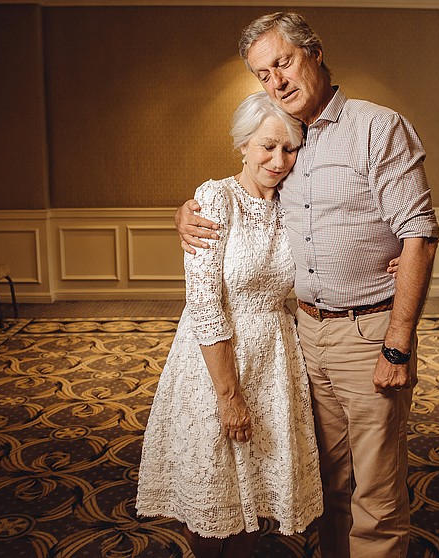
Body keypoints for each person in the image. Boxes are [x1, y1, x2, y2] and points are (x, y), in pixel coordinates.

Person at [175, 12, 439, 558]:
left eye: (284, 62)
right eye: (263, 74)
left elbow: (419, 234)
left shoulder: (376, 127)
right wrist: (187, 212)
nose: (277, 81)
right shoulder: (290, 143)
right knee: (329, 488)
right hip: (302, 342)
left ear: (314, 53)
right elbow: (247, 203)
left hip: (368, 337)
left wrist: (398, 341)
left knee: (379, 495)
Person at [136, 91, 323, 558]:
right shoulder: (214, 199)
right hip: (215, 362)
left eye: (289, 148)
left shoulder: (296, 204)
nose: (278, 160)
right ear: (242, 144)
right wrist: (229, 394)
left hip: (276, 360)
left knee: (258, 487)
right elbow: (203, 303)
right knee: (214, 488)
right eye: (267, 146)